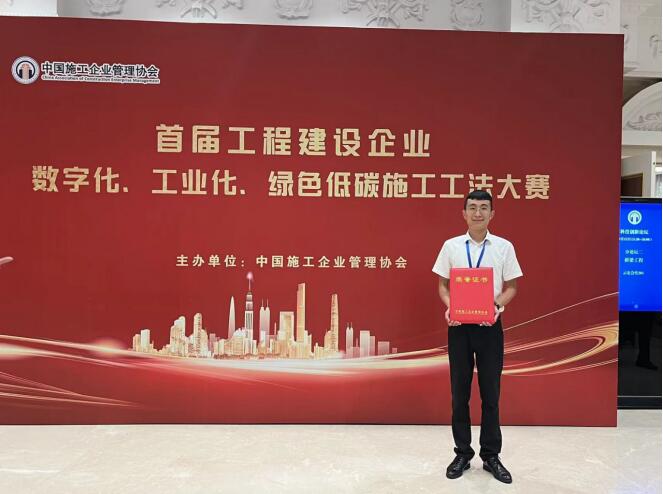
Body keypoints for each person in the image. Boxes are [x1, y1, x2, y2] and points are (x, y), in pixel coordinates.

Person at [432, 190, 523, 484]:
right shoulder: (451, 246)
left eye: (484, 208)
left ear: (492, 214)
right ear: (464, 213)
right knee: (459, 393)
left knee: (490, 394)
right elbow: (443, 286)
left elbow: (512, 287)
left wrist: (496, 306)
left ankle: (491, 455)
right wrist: (450, 307)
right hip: (459, 327)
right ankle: (462, 452)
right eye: (472, 207)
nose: (478, 213)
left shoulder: (504, 247)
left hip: (489, 327)